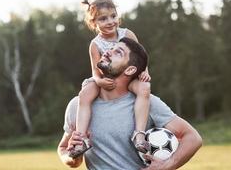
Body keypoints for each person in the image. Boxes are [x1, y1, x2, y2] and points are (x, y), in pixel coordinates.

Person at [58, 38, 202, 170]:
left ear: (130, 70)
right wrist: (73, 157)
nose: (108, 52)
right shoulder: (78, 105)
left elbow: (192, 138)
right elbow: (64, 149)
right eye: (111, 48)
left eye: (118, 52)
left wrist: (166, 166)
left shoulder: (147, 103)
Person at [69, 0, 151, 158]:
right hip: (104, 79)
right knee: (84, 95)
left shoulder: (127, 34)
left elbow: (141, 56)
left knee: (144, 88)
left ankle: (139, 135)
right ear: (93, 23)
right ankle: (82, 138)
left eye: (113, 16)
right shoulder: (95, 44)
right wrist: (99, 81)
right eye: (103, 19)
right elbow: (95, 69)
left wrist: (144, 72)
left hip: (128, 78)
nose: (110, 21)